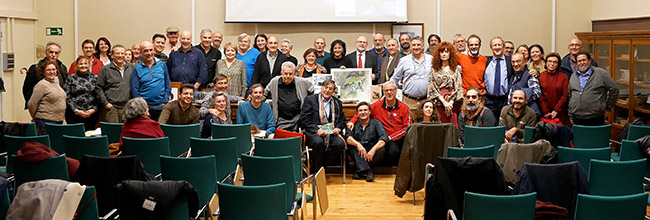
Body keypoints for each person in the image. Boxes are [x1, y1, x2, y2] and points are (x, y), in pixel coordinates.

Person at [347, 82, 411, 164]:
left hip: (398, 136)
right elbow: (364, 113)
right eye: (386, 90)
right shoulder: (376, 106)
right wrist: (352, 121)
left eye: (391, 90)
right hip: (382, 137)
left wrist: (391, 137)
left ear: (396, 91)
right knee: (392, 151)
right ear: (383, 92)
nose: (389, 93)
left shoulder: (404, 107)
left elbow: (407, 127)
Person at [300, 79, 346, 173]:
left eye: (330, 89)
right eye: (326, 87)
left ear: (333, 92)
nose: (327, 90)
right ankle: (317, 171)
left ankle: (319, 166)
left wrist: (338, 128)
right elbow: (304, 119)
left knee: (340, 144)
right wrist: (317, 130)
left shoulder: (337, 102)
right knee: (318, 143)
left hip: (331, 132)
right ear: (322, 88)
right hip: (314, 132)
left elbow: (342, 120)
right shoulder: (310, 100)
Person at [568, 51, 618, 126]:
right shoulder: (573, 76)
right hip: (577, 118)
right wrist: (570, 114)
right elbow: (570, 96)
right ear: (576, 63)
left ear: (589, 61)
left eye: (584, 60)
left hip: (596, 117)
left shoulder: (601, 74)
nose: (582, 63)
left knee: (594, 137)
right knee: (579, 138)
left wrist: (608, 107)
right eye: (579, 61)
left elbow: (614, 89)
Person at [345, 102, 388, 182]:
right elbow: (348, 138)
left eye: (365, 110)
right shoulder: (353, 124)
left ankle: (359, 170)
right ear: (357, 113)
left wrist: (373, 150)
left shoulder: (376, 123)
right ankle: (368, 171)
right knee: (351, 146)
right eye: (360, 111)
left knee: (382, 149)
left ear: (370, 112)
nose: (363, 112)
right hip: (358, 152)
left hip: (371, 152)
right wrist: (358, 145)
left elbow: (384, 137)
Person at [264, 62, 313, 132]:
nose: (288, 76)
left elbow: (313, 90)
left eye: (290, 74)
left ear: (295, 74)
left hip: (298, 119)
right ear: (281, 73)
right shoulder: (274, 82)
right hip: (281, 120)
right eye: (285, 73)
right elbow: (264, 94)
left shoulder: (302, 82)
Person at [64, 56, 109, 131]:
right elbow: (67, 95)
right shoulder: (70, 78)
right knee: (76, 136)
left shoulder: (95, 78)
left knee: (88, 136)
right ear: (77, 65)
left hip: (91, 114)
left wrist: (93, 110)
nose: (83, 66)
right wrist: (75, 110)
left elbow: (99, 95)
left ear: (89, 65)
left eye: (85, 63)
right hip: (74, 114)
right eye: (80, 64)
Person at [390, 37, 432, 116]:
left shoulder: (431, 59)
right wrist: (388, 89)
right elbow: (395, 78)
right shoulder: (404, 60)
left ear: (423, 46)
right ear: (411, 47)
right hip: (409, 101)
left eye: (418, 45)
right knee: (410, 127)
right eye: (414, 45)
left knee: (425, 127)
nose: (416, 47)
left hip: (426, 101)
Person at [131, 41, 171, 121]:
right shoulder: (137, 68)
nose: (149, 53)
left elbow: (168, 84)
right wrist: (142, 106)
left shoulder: (162, 65)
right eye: (146, 51)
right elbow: (134, 89)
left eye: (151, 50)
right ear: (141, 52)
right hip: (145, 108)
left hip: (161, 105)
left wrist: (165, 101)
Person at [23, 41, 68, 109]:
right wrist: (33, 106)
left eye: (56, 53)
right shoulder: (35, 68)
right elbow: (26, 89)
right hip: (41, 108)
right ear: (46, 53)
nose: (53, 55)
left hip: (58, 107)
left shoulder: (62, 68)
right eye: (51, 52)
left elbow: (65, 86)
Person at [428, 41, 463, 126]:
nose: (444, 54)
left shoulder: (455, 69)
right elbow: (432, 86)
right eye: (442, 52)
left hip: (452, 103)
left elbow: (458, 86)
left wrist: (450, 102)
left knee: (453, 125)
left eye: (447, 52)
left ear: (450, 54)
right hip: (439, 102)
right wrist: (444, 102)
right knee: (440, 125)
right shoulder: (434, 70)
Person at [28, 61, 66, 135]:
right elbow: (31, 104)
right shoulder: (41, 85)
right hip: (45, 122)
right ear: (43, 72)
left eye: (54, 69)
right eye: (48, 70)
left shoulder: (56, 83)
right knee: (46, 145)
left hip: (59, 121)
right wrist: (35, 117)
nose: (52, 72)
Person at [98, 44, 133, 123]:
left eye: (122, 53)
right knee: (113, 132)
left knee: (126, 132)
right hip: (111, 108)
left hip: (127, 107)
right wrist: (106, 103)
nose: (120, 56)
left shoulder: (132, 68)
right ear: (112, 55)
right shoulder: (105, 69)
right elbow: (98, 88)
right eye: (117, 53)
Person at [484, 37, 514, 117]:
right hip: (489, 100)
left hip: (505, 100)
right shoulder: (486, 61)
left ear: (503, 47)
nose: (497, 47)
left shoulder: (510, 61)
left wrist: (535, 72)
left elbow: (522, 69)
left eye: (499, 45)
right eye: (494, 45)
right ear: (491, 47)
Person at [538, 52, 569, 125]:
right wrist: (545, 111)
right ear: (545, 63)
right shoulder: (541, 76)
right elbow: (539, 95)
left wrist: (556, 110)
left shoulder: (564, 77)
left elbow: (565, 95)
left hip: (560, 112)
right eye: (549, 61)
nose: (552, 64)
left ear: (558, 64)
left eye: (555, 62)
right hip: (544, 112)